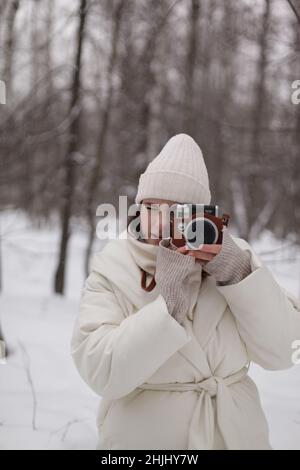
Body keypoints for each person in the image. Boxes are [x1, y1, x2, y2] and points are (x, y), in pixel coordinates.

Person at [70, 133, 300, 450]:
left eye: (177, 209)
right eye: (151, 207)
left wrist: (238, 275)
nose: (161, 220)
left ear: (201, 214)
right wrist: (170, 307)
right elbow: (101, 371)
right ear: (138, 209)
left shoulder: (238, 257)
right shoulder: (115, 266)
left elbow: (285, 351)